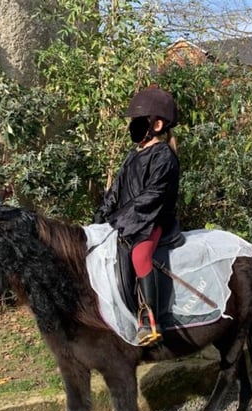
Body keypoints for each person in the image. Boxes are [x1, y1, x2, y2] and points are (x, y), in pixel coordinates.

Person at [94, 87, 180, 346]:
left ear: (157, 124)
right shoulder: (133, 155)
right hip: (127, 221)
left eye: (138, 121)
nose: (133, 126)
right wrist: (101, 216)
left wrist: (122, 218)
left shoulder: (164, 156)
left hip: (151, 221)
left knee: (140, 255)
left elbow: (154, 195)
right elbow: (116, 190)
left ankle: (149, 320)